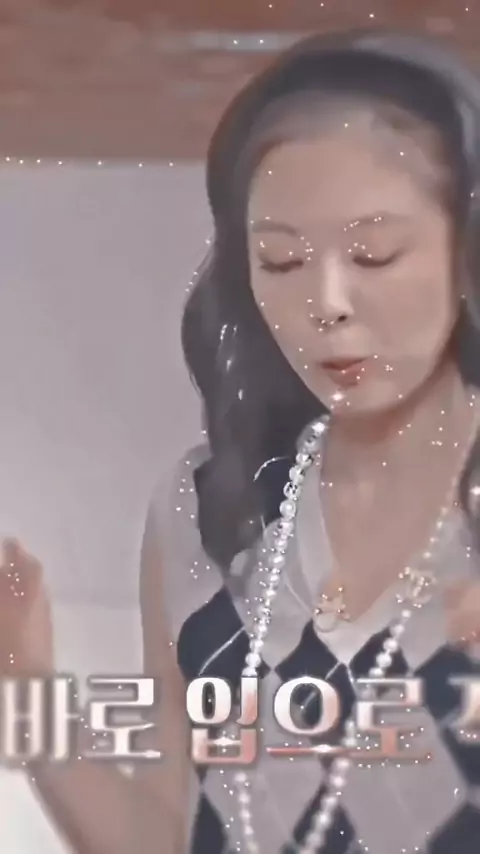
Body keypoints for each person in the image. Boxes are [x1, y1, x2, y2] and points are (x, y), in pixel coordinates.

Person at [2, 26, 480, 854]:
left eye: (374, 254)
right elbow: (165, 835)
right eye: (281, 261)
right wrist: (24, 681)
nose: (326, 303)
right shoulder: (204, 511)